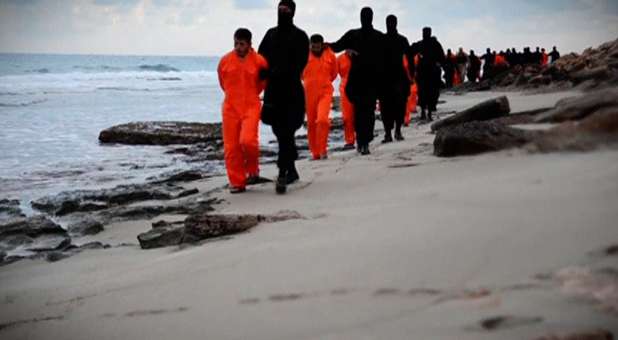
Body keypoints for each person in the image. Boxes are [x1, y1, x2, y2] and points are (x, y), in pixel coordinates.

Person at [258, 0, 309, 194]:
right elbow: (260, 59)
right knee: (281, 134)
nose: (283, 12)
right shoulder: (270, 34)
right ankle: (292, 169)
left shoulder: (300, 36)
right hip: (273, 93)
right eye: (280, 9)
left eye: (286, 9)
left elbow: (299, 64)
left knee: (287, 132)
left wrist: (274, 72)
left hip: (292, 92)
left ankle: (282, 172)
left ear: (293, 12)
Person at [217, 28, 268, 194]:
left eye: (242, 44)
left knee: (248, 141)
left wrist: (252, 96)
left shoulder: (259, 61)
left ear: (249, 44)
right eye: (236, 44)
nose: (238, 47)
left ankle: (253, 168)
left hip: (251, 106)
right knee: (231, 148)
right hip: (230, 107)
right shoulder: (225, 61)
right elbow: (223, 83)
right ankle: (237, 182)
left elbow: (263, 84)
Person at [328, 7, 385, 155]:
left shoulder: (356, 35)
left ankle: (363, 141)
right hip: (363, 81)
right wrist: (323, 44)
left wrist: (325, 45)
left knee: (364, 113)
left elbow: (336, 46)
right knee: (364, 112)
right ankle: (363, 142)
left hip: (364, 80)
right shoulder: (373, 36)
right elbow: (336, 46)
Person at [303, 34, 338, 160]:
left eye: (318, 46)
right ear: (310, 45)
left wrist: (325, 81)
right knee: (311, 124)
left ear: (322, 45)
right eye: (313, 46)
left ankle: (323, 150)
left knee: (322, 120)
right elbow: (299, 74)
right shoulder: (303, 55)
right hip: (309, 93)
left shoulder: (330, 55)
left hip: (325, 92)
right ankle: (315, 153)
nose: (315, 48)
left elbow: (334, 72)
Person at [379, 14, 410, 143]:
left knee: (399, 105)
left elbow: (409, 57)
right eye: (388, 22)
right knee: (385, 106)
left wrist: (412, 75)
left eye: (392, 22)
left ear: (396, 23)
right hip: (385, 77)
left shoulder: (402, 40)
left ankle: (397, 130)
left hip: (399, 76)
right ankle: (388, 133)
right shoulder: (381, 39)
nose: (390, 24)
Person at [408, 27, 445, 121]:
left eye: (426, 32)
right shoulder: (422, 44)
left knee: (428, 92)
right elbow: (410, 51)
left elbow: (442, 58)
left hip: (430, 73)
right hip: (424, 73)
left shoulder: (433, 44)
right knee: (424, 92)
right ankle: (425, 112)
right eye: (424, 32)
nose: (425, 34)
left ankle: (427, 112)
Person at [337, 50, 356, 148]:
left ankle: (363, 138)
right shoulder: (340, 58)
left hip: (360, 88)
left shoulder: (361, 56)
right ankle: (350, 141)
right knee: (347, 117)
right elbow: (333, 73)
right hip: (345, 89)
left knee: (361, 115)